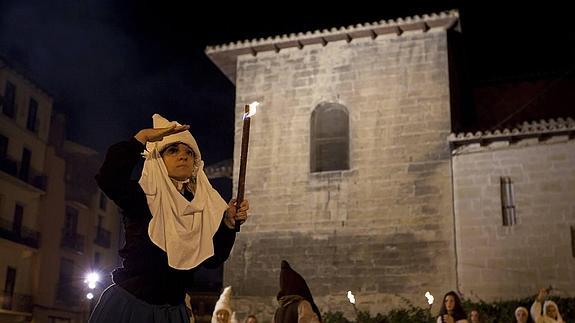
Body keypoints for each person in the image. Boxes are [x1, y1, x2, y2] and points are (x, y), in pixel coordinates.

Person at [89, 114, 249, 323]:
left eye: (189, 152)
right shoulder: (142, 197)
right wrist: (141, 138)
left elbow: (212, 259)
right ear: (159, 159)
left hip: (173, 314)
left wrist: (228, 223)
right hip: (131, 310)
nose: (183, 156)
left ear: (195, 165)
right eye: (173, 150)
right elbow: (109, 178)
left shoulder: (200, 207)